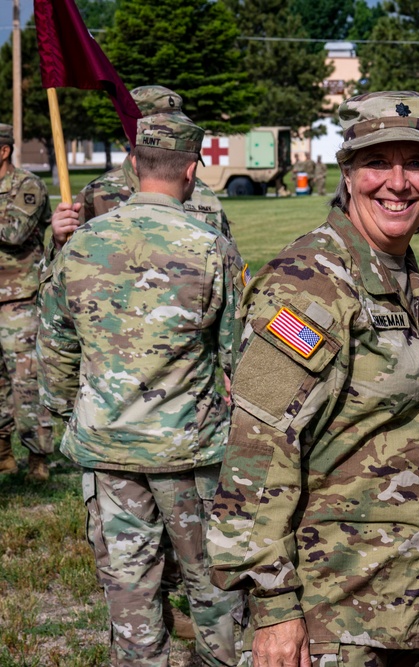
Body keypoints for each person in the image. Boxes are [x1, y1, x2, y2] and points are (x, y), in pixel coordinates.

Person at [208, 91, 419, 667]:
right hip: (342, 617)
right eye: (379, 162)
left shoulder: (397, 273)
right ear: (348, 173)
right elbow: (259, 449)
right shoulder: (311, 282)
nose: (398, 183)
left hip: (418, 606)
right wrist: (275, 609)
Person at [37, 113, 244, 667]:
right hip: (190, 450)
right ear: (192, 170)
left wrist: (65, 409)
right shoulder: (211, 247)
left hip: (108, 448)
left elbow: (54, 345)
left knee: (129, 589)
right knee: (213, 585)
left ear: (133, 166)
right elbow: (236, 354)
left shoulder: (80, 245)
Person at [49, 85, 235, 251]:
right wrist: (59, 241)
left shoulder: (203, 196)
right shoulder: (96, 195)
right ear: (129, 128)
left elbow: (227, 265)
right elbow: (64, 275)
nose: (169, 131)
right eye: (158, 124)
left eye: (174, 124)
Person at [0, 122, 54, 482]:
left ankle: (38, 457)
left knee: (26, 382)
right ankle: (3, 453)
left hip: (18, 299)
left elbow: (13, 232)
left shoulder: (27, 186)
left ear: (3, 151)